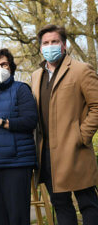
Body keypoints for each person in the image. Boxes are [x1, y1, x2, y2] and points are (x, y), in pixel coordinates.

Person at [32, 24, 98, 224]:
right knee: (60, 205)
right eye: (46, 43)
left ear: (64, 45)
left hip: (75, 150)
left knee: (88, 204)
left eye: (54, 42)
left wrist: (81, 136)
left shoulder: (81, 70)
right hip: (47, 154)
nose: (50, 46)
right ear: (40, 47)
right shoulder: (36, 75)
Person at [0, 49, 38, 225]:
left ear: (11, 68)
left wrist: (1, 121)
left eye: (4, 64)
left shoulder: (21, 89)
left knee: (17, 218)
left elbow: (30, 121)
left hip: (17, 163)